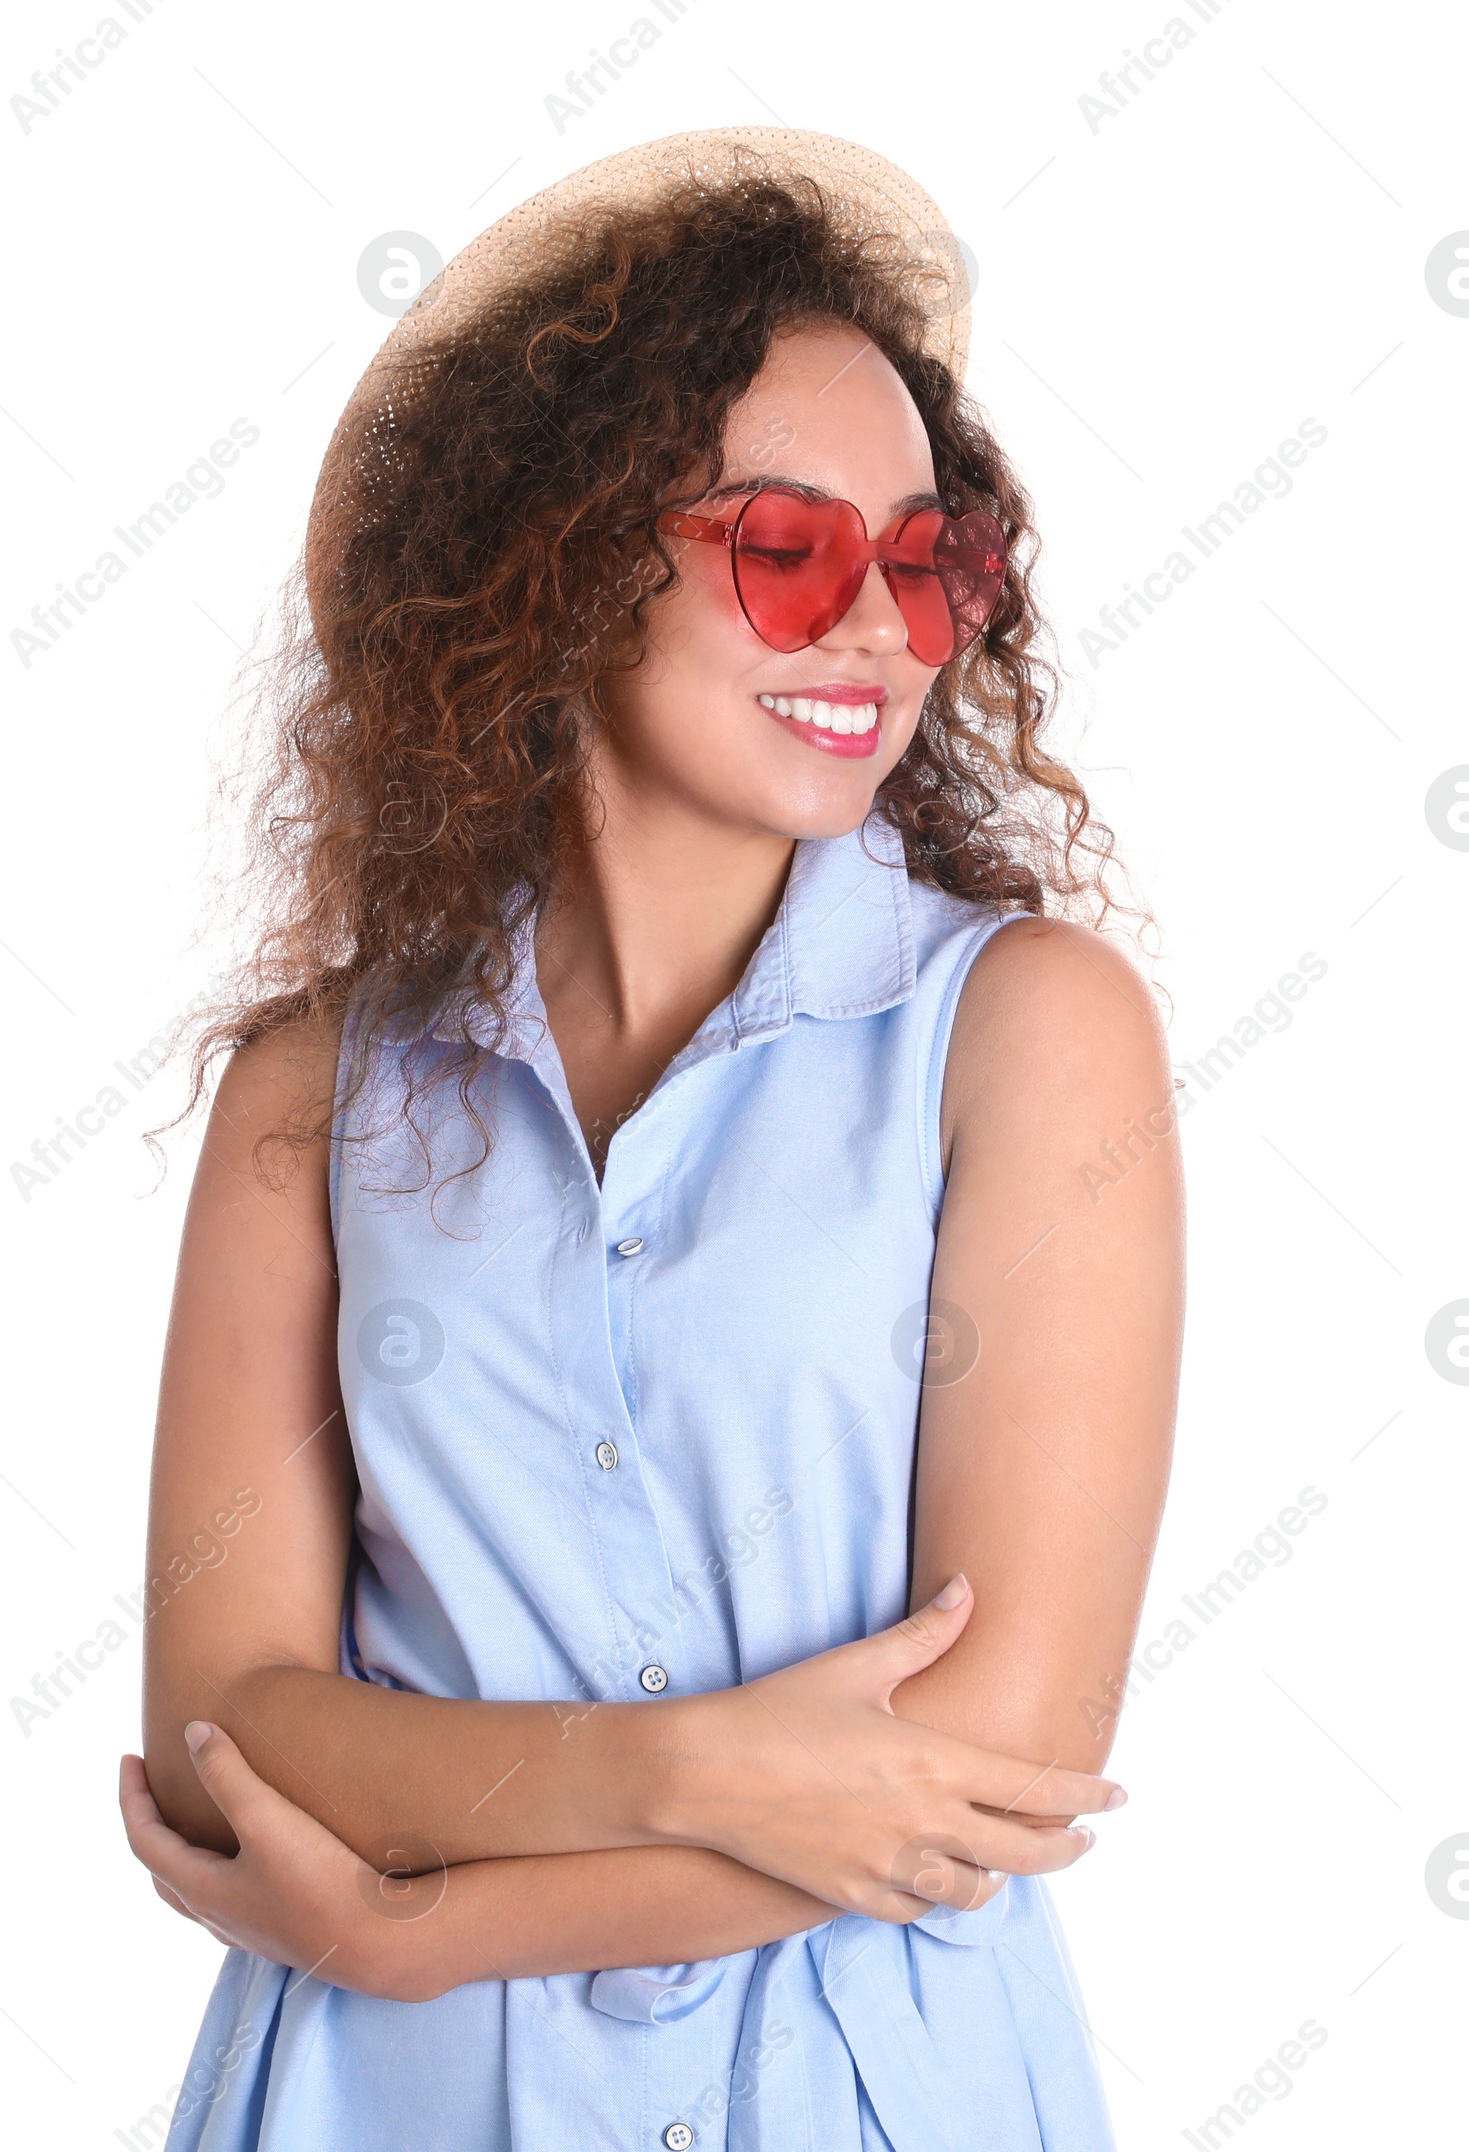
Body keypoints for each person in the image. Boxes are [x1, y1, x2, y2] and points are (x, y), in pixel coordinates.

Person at [119, 128, 1182, 2151]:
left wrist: (414, 1926)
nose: (871, 626)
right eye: (785, 547)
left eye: (923, 558)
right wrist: (689, 1766)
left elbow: (1002, 1754)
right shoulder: (309, 1099)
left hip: (848, 2087)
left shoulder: (1026, 1031)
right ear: (563, 553)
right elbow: (219, 1729)